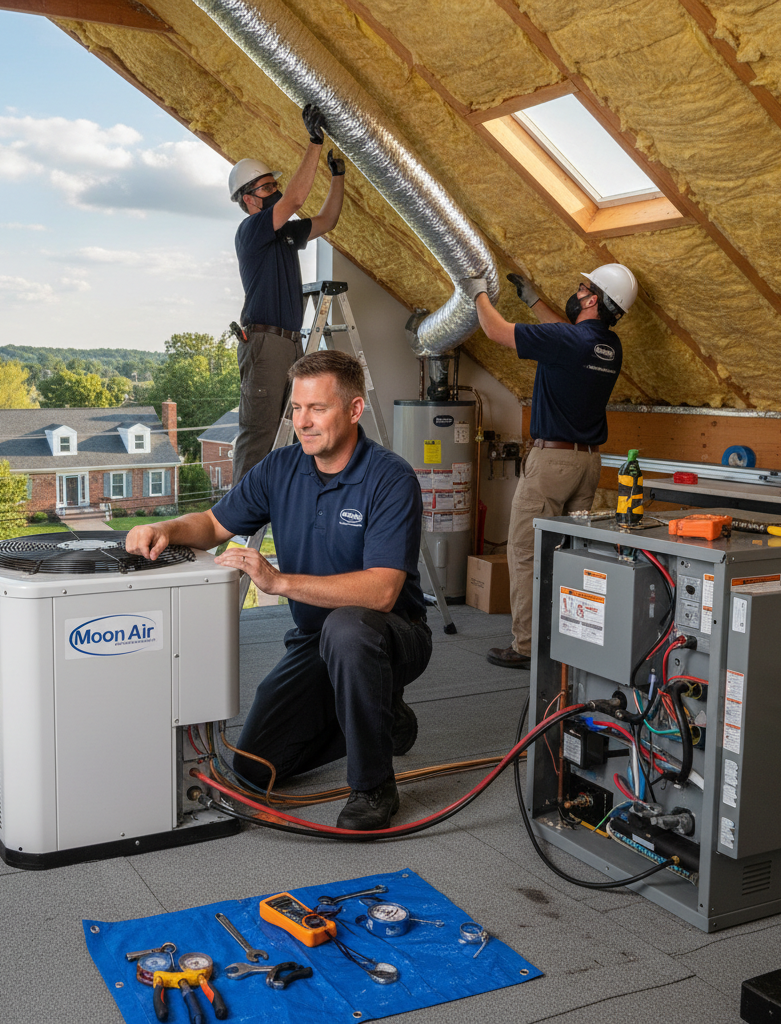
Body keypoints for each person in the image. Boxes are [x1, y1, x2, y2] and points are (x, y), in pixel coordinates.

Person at [126, 350, 431, 830]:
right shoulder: (280, 468)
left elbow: (381, 593)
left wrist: (277, 581)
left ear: (353, 410)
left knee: (349, 629)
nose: (303, 422)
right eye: (297, 408)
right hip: (314, 640)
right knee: (254, 769)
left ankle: (374, 787)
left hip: (391, 635)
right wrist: (164, 527)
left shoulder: (390, 479)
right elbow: (210, 523)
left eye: (318, 409)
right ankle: (383, 716)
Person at [463, 264, 639, 669]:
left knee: (525, 552)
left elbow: (495, 330)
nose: (576, 292)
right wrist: (535, 301)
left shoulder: (567, 340)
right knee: (570, 555)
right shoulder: (609, 348)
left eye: (583, 288)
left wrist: (477, 293)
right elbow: (571, 334)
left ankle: (525, 647)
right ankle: (568, 641)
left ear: (593, 299)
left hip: (551, 465)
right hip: (589, 464)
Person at [228, 103, 346, 484]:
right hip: (264, 343)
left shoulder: (283, 235)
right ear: (249, 199)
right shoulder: (253, 231)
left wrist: (337, 177)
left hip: (290, 344)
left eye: (274, 185)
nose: (276, 192)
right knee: (259, 434)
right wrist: (314, 142)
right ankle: (234, 527)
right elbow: (295, 199)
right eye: (267, 187)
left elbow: (327, 220)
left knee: (295, 437)